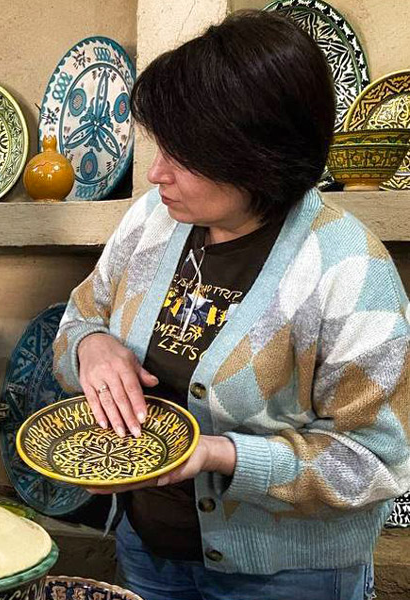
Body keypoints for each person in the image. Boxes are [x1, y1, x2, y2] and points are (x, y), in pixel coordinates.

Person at [53, 11, 408, 600]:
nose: (155, 173)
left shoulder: (349, 268)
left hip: (286, 576)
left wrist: (221, 455)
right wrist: (92, 346)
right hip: (147, 551)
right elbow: (79, 318)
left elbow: (374, 462)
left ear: (257, 155)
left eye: (181, 156)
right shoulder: (151, 222)